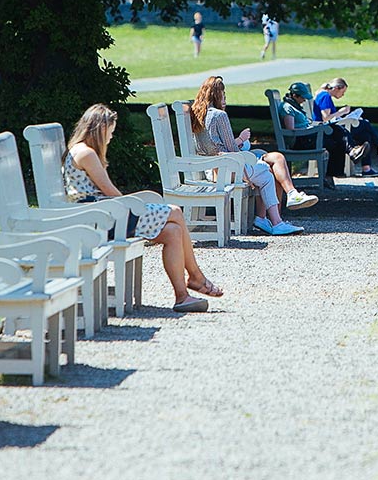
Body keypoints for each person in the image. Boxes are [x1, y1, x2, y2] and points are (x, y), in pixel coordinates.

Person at [64, 103, 222, 312]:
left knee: (173, 231)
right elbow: (110, 192)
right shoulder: (86, 153)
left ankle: (182, 297)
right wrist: (132, 206)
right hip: (98, 220)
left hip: (102, 215)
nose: (111, 137)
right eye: (110, 132)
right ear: (100, 129)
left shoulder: (82, 150)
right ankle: (195, 276)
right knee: (174, 211)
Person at [184, 76, 317, 234]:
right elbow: (232, 149)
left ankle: (269, 217)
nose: (225, 98)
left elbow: (212, 144)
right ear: (217, 94)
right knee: (268, 173)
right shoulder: (219, 115)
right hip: (226, 170)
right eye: (223, 95)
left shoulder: (197, 115)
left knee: (271, 160)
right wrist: (241, 140)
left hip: (209, 169)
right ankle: (276, 221)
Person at [313, 78, 378, 178]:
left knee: (365, 134)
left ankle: (367, 169)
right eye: (343, 92)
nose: (343, 95)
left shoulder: (323, 95)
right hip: (328, 131)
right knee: (365, 124)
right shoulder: (325, 96)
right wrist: (342, 112)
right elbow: (326, 118)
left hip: (330, 129)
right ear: (337, 88)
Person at [281, 82, 346, 186]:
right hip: (299, 141)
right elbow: (291, 130)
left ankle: (350, 151)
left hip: (306, 136)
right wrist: (313, 129)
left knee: (337, 131)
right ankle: (334, 172)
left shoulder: (296, 106)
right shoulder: (287, 108)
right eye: (302, 97)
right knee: (335, 143)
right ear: (294, 95)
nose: (304, 100)